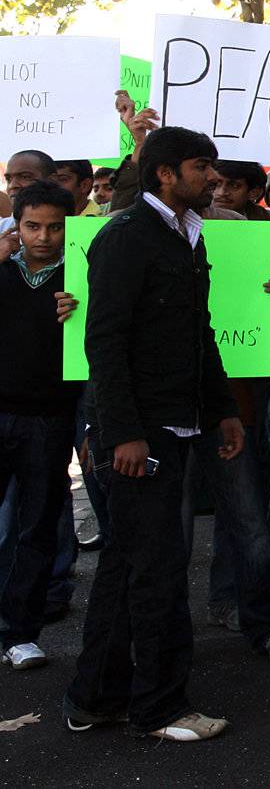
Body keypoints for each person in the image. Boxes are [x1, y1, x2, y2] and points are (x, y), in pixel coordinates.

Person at [65, 125, 244, 742]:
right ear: (166, 173)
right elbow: (105, 343)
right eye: (202, 167)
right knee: (159, 570)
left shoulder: (187, 236)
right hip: (144, 434)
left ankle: (95, 698)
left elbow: (200, 329)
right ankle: (163, 708)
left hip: (179, 421)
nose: (213, 177)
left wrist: (222, 406)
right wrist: (123, 435)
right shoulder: (125, 239)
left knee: (127, 564)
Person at [0, 182, 81, 670]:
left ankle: (19, 633)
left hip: (50, 421)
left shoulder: (84, 278)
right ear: (16, 224)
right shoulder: (2, 272)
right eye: (33, 226)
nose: (44, 237)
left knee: (36, 528)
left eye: (55, 226)